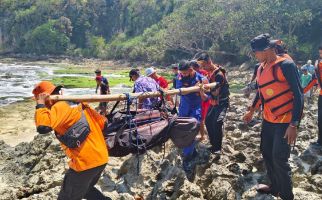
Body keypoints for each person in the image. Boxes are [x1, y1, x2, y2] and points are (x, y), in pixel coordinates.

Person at [243, 34, 303, 200]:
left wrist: (294, 125)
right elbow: (261, 92)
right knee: (267, 152)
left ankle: (286, 196)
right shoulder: (261, 67)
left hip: (285, 120)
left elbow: (299, 96)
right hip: (269, 119)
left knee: (279, 158)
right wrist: (251, 111)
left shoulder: (286, 65)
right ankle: (275, 187)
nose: (255, 55)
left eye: (255, 52)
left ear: (266, 50)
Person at [32, 81, 110, 200]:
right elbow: (103, 123)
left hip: (84, 163)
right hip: (101, 158)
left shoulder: (59, 106)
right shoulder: (80, 103)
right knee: (86, 190)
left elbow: (43, 127)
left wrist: (40, 105)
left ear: (45, 97)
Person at [175, 60, 208, 181]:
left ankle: (188, 156)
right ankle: (188, 150)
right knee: (183, 128)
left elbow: (206, 97)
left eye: (184, 73)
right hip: (184, 106)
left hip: (195, 107)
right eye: (181, 73)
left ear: (191, 70)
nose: (183, 75)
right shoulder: (179, 77)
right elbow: (180, 91)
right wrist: (193, 88)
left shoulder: (202, 79)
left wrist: (200, 91)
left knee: (193, 128)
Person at [197, 53, 230, 155]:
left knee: (217, 123)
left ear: (209, 62)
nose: (203, 68)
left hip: (221, 102)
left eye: (203, 66)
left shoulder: (219, 75)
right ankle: (213, 144)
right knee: (208, 121)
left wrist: (204, 88)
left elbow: (216, 93)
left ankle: (217, 148)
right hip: (213, 102)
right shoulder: (210, 73)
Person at [303, 46, 322, 147]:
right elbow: (314, 80)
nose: (320, 56)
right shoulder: (318, 65)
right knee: (320, 119)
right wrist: (302, 91)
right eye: (320, 53)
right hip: (321, 95)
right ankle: (320, 141)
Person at [189, 60, 210, 141]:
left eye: (192, 69)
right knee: (199, 117)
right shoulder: (196, 74)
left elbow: (206, 87)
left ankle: (202, 136)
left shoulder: (202, 75)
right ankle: (200, 133)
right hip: (199, 99)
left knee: (201, 119)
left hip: (203, 99)